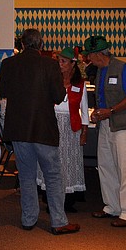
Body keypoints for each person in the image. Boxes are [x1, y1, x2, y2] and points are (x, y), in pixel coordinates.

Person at [0, 28, 79, 235]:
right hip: (43, 129)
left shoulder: (7, 64)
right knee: (52, 176)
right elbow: (59, 96)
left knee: (26, 176)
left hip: (19, 129)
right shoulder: (50, 65)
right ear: (40, 44)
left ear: (22, 44)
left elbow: (3, 92)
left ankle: (28, 219)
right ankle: (58, 221)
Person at [83, 34, 126, 228]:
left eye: (89, 55)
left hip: (124, 127)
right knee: (106, 166)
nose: (87, 59)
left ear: (98, 54)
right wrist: (98, 114)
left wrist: (110, 111)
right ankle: (112, 206)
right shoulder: (100, 70)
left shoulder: (123, 68)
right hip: (106, 126)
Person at [37, 47, 88, 213]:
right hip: (53, 124)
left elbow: (84, 110)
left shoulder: (80, 85)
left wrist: (84, 132)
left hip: (71, 127)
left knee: (68, 162)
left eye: (63, 61)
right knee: (52, 162)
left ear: (73, 64)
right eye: (59, 60)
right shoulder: (53, 80)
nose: (60, 64)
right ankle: (50, 198)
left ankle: (67, 200)